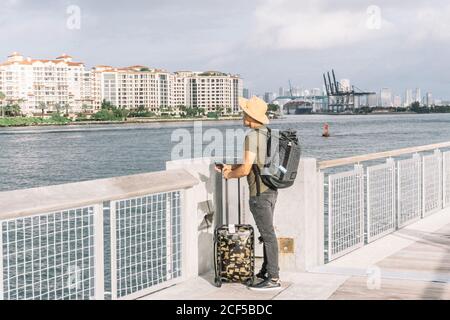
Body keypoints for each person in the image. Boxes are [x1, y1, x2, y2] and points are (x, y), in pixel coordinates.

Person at [216, 96, 281, 291]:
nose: (242, 114)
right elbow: (256, 164)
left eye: (245, 111)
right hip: (271, 189)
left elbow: (245, 170)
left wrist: (228, 174)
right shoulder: (269, 134)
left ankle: (274, 278)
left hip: (259, 194)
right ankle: (265, 271)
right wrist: (231, 166)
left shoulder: (251, 137)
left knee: (268, 235)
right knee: (266, 233)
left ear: (251, 115)